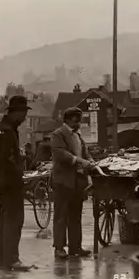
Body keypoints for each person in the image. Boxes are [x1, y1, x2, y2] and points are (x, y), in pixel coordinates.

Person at [0, 95, 32, 271]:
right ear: (15, 112)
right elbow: (7, 159)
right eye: (23, 114)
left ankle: (2, 260)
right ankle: (12, 259)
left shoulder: (3, 128)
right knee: (14, 220)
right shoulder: (7, 131)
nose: (24, 118)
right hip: (9, 182)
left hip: (2, 181)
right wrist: (20, 177)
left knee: (4, 221)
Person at [51, 107, 94, 259]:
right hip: (63, 181)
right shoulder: (58, 134)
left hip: (78, 182)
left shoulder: (78, 136)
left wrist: (91, 162)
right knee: (61, 215)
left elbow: (85, 153)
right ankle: (59, 248)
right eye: (78, 119)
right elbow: (61, 154)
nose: (80, 122)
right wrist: (81, 161)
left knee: (75, 215)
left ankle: (75, 247)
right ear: (70, 119)